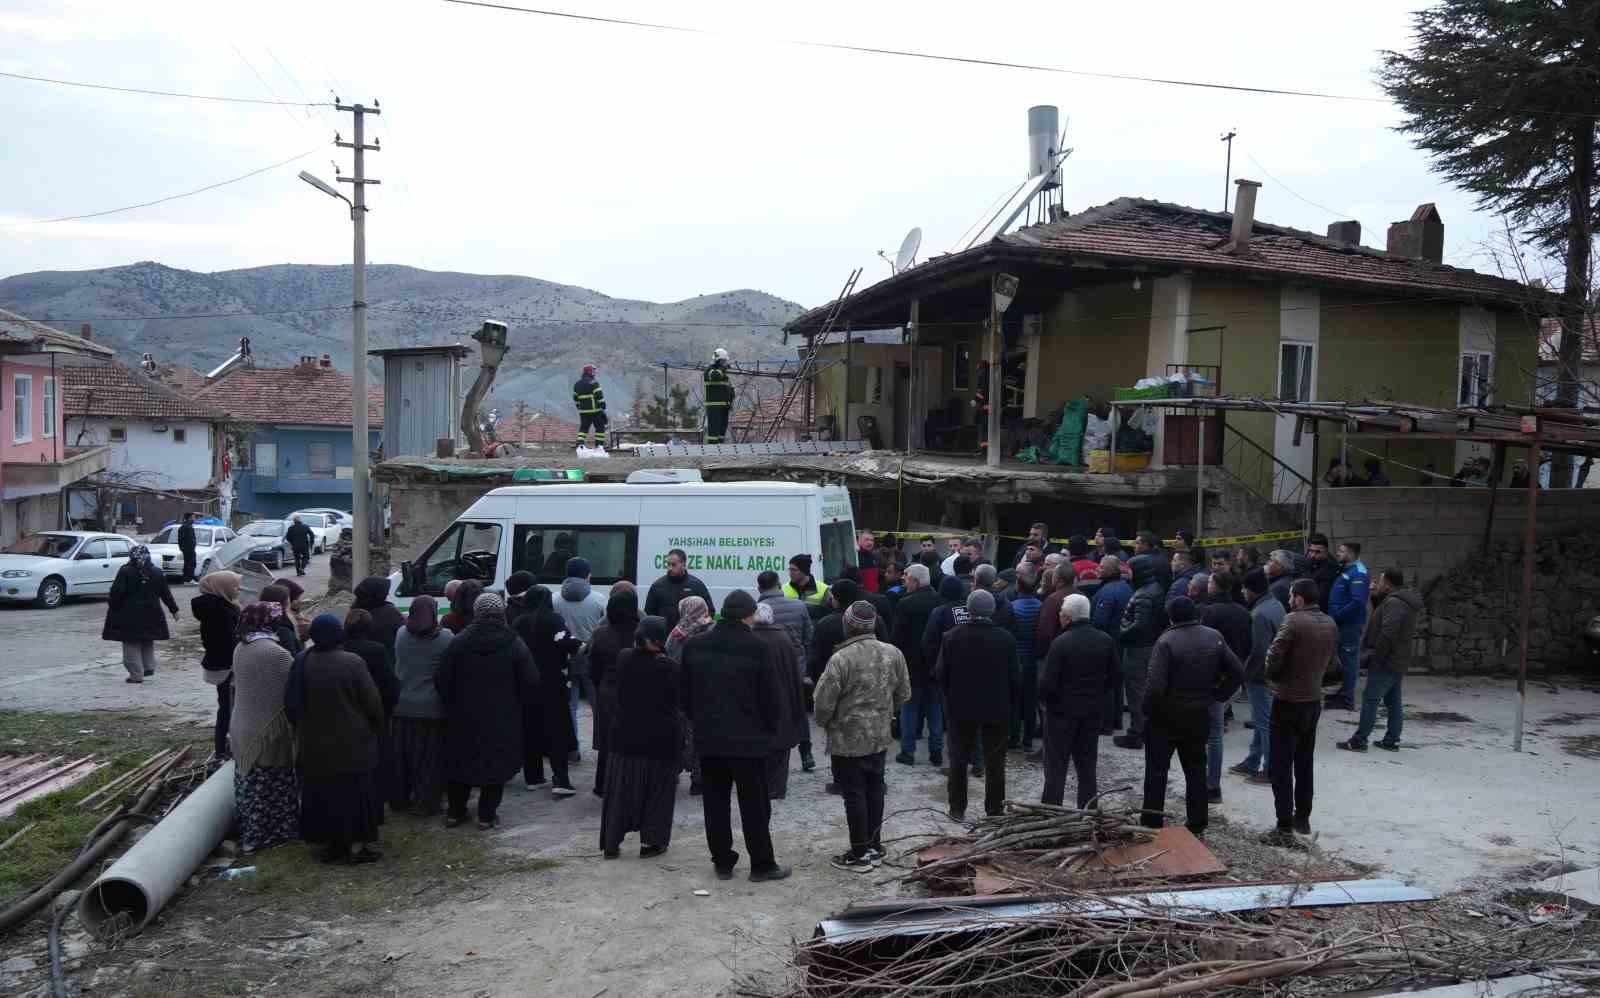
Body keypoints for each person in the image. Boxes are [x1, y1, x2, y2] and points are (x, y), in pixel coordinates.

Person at [680, 590, 790, 882]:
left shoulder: (695, 646)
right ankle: (762, 864)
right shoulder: (757, 647)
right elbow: (771, 698)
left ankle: (723, 861)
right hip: (749, 741)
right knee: (754, 804)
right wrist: (770, 731)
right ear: (747, 615)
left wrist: (699, 722)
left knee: (715, 803)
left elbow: (685, 693)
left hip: (710, 738)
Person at [815, 601, 911, 871]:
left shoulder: (841, 659)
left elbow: (823, 703)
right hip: (879, 735)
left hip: (847, 739)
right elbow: (904, 694)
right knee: (875, 788)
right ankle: (874, 846)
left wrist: (826, 722)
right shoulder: (893, 653)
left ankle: (859, 854)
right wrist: (884, 713)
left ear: (848, 625)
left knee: (854, 794)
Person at [1140, 596, 1244, 838]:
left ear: (1171, 617)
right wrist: (1218, 695)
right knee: (1196, 769)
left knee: (1156, 771)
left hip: (1165, 716)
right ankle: (1197, 822)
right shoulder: (1213, 636)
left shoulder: (1166, 641)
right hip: (1198, 713)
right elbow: (1237, 672)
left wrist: (1146, 711)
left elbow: (1155, 686)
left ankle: (1152, 821)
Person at [434, 592, 540, 831]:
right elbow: (531, 680)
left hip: (462, 714)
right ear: (501, 613)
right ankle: (486, 815)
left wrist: (453, 701)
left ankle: (456, 812)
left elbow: (441, 678)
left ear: (476, 612)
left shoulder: (459, 641)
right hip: (502, 715)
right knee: (496, 764)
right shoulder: (513, 642)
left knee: (460, 762)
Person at [285, 614, 385, 864]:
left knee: (323, 796)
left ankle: (329, 844)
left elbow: (290, 705)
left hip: (314, 746)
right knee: (354, 798)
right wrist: (375, 728)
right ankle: (356, 846)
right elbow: (373, 703)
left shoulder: (302, 661)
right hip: (353, 745)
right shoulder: (352, 662)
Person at [1261, 580, 1338, 847]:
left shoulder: (1292, 620)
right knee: (1304, 763)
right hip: (1313, 700)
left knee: (1280, 766)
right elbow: (1332, 662)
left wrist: (1273, 675)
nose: (1290, 599)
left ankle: (1283, 826)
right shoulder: (1329, 622)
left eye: (1292, 596)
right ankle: (1302, 817)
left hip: (1288, 700)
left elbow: (1274, 656)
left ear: (1300, 599)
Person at [600, 616, 681, 859]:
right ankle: (651, 843)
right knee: (658, 795)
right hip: (660, 739)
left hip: (625, 737)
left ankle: (612, 844)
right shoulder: (668, 667)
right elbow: (678, 699)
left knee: (619, 795)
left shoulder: (625, 658)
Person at [936, 590, 1017, 820]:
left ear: (969, 610)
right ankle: (994, 809)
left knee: (958, 759)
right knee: (995, 761)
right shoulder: (1006, 639)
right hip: (996, 707)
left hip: (960, 707)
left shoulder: (951, 637)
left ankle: (957, 808)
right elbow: (1015, 678)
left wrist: (950, 697)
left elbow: (941, 673)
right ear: (991, 610)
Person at [229, 601, 300, 854]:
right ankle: (274, 834)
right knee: (271, 784)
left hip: (242, 726)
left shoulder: (241, 647)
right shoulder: (276, 654)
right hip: (268, 731)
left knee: (249, 786)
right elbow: (293, 688)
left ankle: (251, 833)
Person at [1039, 593, 1119, 808]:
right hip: (1092, 711)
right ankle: (1089, 810)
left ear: (1067, 617)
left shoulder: (1060, 643)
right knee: (1087, 765)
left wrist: (1047, 702)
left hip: (1061, 712)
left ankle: (1051, 811)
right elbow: (1115, 678)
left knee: (1056, 766)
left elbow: (1048, 683)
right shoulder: (1106, 641)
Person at [509, 575, 580, 798]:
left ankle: (533, 777)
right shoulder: (553, 620)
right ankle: (561, 779)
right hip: (553, 683)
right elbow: (567, 644)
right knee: (556, 731)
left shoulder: (519, 622)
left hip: (527, 684)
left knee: (530, 729)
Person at [1339, 569, 1420, 753]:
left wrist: (1375, 657)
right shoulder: (1398, 600)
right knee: (1393, 700)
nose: (1378, 583)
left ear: (1389, 583)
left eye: (1381, 581)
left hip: (1386, 661)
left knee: (1370, 699)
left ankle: (1359, 740)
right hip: (1396, 659)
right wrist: (1375, 596)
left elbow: (1388, 633)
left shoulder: (1395, 603)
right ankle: (1392, 740)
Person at [391, 595, 453, 816]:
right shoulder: (445, 638)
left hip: (402, 704)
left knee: (403, 759)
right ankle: (426, 802)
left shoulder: (401, 634)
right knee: (429, 760)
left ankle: (400, 798)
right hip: (432, 708)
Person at [1201, 571, 1252, 803]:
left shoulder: (1211, 612)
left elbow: (1205, 647)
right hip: (1234, 678)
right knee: (1214, 733)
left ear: (1217, 586)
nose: (1207, 584)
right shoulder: (1243, 612)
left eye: (1210, 581)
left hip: (1214, 680)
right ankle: (1210, 784)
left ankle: (1211, 786)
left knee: (1212, 734)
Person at [1230, 569, 1284, 785]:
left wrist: (1245, 675)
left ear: (1252, 590)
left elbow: (1259, 651)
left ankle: (1270, 770)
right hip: (1274, 673)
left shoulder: (1259, 613)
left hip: (1261, 676)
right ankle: (1252, 761)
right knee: (1264, 720)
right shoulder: (1276, 604)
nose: (1242, 591)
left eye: (1244, 588)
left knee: (1265, 723)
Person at [756, 571, 815, 768]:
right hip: (796, 668)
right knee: (799, 710)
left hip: (767, 671)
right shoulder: (799, 606)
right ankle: (806, 754)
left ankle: (771, 754)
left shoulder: (757, 610)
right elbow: (809, 639)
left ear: (759, 588)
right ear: (779, 585)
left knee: (769, 711)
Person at [891, 563, 945, 767]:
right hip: (935, 665)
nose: (902, 579)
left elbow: (897, 637)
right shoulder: (940, 601)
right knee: (934, 709)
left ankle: (908, 751)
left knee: (910, 709)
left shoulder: (905, 603)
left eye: (905, 576)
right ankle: (936, 750)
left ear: (915, 580)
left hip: (912, 665)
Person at [588, 586, 640, 796]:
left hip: (609, 690)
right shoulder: (641, 632)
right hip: (636, 691)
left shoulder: (600, 634)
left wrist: (601, 684)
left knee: (608, 741)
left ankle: (602, 784)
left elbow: (593, 666)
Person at [103, 543, 179, 684]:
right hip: (152, 614)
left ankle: (136, 674)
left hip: (129, 615)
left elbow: (116, 593)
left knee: (131, 643)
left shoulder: (125, 571)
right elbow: (165, 593)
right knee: (147, 640)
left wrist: (113, 606)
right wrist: (174, 610)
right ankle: (148, 667)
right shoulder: (156, 572)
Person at [752, 603, 807, 800]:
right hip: (783, 702)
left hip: (756, 705)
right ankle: (777, 788)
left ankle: (760, 787)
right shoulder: (783, 639)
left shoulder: (750, 638)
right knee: (780, 750)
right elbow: (793, 674)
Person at [557, 556, 607, 758]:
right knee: (599, 705)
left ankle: (572, 748)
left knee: (570, 705)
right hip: (591, 657)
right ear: (588, 575)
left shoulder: (554, 599)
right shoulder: (599, 599)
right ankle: (604, 748)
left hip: (565, 658)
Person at [1114, 555, 1164, 750]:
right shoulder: (1155, 588)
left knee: (1136, 691)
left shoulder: (1144, 594)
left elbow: (1140, 625)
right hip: (1147, 645)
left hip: (1138, 648)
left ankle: (1136, 733)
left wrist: (1121, 633)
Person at [666, 595, 714, 792]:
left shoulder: (676, 634)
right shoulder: (712, 632)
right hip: (706, 691)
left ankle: (673, 770)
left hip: (680, 691)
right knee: (702, 735)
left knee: (680, 732)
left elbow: (669, 660)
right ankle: (699, 778)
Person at [192, 571, 242, 758]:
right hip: (226, 664)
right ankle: (223, 748)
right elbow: (228, 640)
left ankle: (225, 746)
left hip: (224, 662)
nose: (238, 589)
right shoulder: (219, 611)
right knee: (228, 707)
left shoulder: (223, 604)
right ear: (222, 587)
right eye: (235, 586)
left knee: (228, 705)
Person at [1326, 541, 1371, 710]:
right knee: (1344, 659)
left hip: (1349, 625)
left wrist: (1337, 616)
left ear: (1351, 554)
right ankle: (1344, 691)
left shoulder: (1358, 573)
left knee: (1349, 660)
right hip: (1342, 623)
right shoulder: (1348, 570)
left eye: (1341, 551)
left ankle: (1347, 699)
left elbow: (1357, 602)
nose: (1338, 553)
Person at [1090, 556, 1132, 735]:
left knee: (1106, 682)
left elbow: (1099, 621)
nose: (1097, 569)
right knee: (1116, 680)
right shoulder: (1126, 587)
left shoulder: (1107, 592)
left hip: (1107, 640)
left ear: (1108, 570)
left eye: (1101, 567)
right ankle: (1116, 721)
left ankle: (1105, 724)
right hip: (1121, 640)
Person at [1007, 565, 1043, 753]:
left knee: (1014, 701)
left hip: (1017, 660)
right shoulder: (1040, 607)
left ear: (1018, 587)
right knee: (1030, 702)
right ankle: (1028, 738)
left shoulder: (1012, 608)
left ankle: (1013, 737)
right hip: (1033, 661)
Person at [644, 548, 711, 629]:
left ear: (684, 564)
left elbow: (709, 612)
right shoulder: (657, 586)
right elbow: (649, 614)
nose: (670, 568)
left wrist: (695, 628)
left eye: (673, 565)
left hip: (690, 637)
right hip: (664, 637)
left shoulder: (696, 585)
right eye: (668, 564)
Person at [353, 576, 407, 662]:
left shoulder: (355, 611)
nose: (387, 595)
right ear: (378, 595)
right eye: (385, 593)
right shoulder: (389, 612)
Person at [259, 583, 301, 656]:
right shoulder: (283, 631)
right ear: (281, 606)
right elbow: (294, 660)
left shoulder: (257, 623)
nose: (290, 606)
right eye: (288, 603)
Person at [572, 362, 607, 449]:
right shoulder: (594, 383)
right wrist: (603, 406)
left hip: (583, 412)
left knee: (583, 429)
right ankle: (599, 446)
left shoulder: (577, 384)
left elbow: (575, 398)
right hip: (595, 411)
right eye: (593, 371)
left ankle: (580, 444)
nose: (594, 373)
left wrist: (579, 407)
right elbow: (599, 396)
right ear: (589, 372)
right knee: (600, 428)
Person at [703, 347, 734, 443]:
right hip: (714, 406)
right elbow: (715, 376)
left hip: (724, 406)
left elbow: (727, 388)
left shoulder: (724, 374)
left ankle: (720, 447)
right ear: (719, 360)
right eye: (724, 361)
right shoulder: (709, 370)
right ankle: (712, 449)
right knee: (714, 430)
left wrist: (730, 397)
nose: (725, 363)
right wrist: (723, 368)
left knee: (722, 430)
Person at [1305, 534, 1339, 612]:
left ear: (1326, 551)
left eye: (1317, 552)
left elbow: (1321, 598)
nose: (1313, 555)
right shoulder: (1312, 560)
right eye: (1311, 551)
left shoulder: (1330, 568)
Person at [177, 512, 199, 584]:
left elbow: (180, 540)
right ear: (189, 518)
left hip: (186, 549)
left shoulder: (183, 526)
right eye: (193, 517)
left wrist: (182, 548)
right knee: (191, 564)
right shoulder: (188, 527)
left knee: (187, 564)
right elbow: (190, 540)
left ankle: (187, 579)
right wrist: (192, 547)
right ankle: (189, 579)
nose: (194, 519)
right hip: (189, 550)